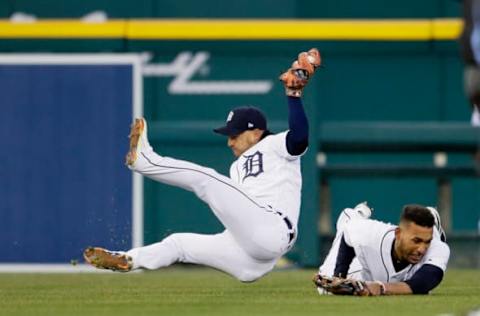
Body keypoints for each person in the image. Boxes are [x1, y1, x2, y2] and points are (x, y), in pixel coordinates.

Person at [83, 48, 321, 282]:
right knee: (179, 244)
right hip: (250, 253)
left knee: (206, 179)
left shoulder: (275, 144)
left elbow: (299, 138)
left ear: (255, 132)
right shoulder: (237, 167)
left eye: (235, 135)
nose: (229, 142)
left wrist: (293, 95)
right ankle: (129, 259)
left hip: (274, 227)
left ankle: (147, 161)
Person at [314, 203, 450, 295]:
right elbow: (348, 233)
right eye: (416, 241)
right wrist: (340, 277)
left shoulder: (437, 248)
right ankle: (354, 215)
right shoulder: (373, 234)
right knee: (325, 288)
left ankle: (432, 219)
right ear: (398, 234)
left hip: (381, 279)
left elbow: (425, 281)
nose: (422, 249)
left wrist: (381, 287)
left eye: (427, 242)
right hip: (366, 260)